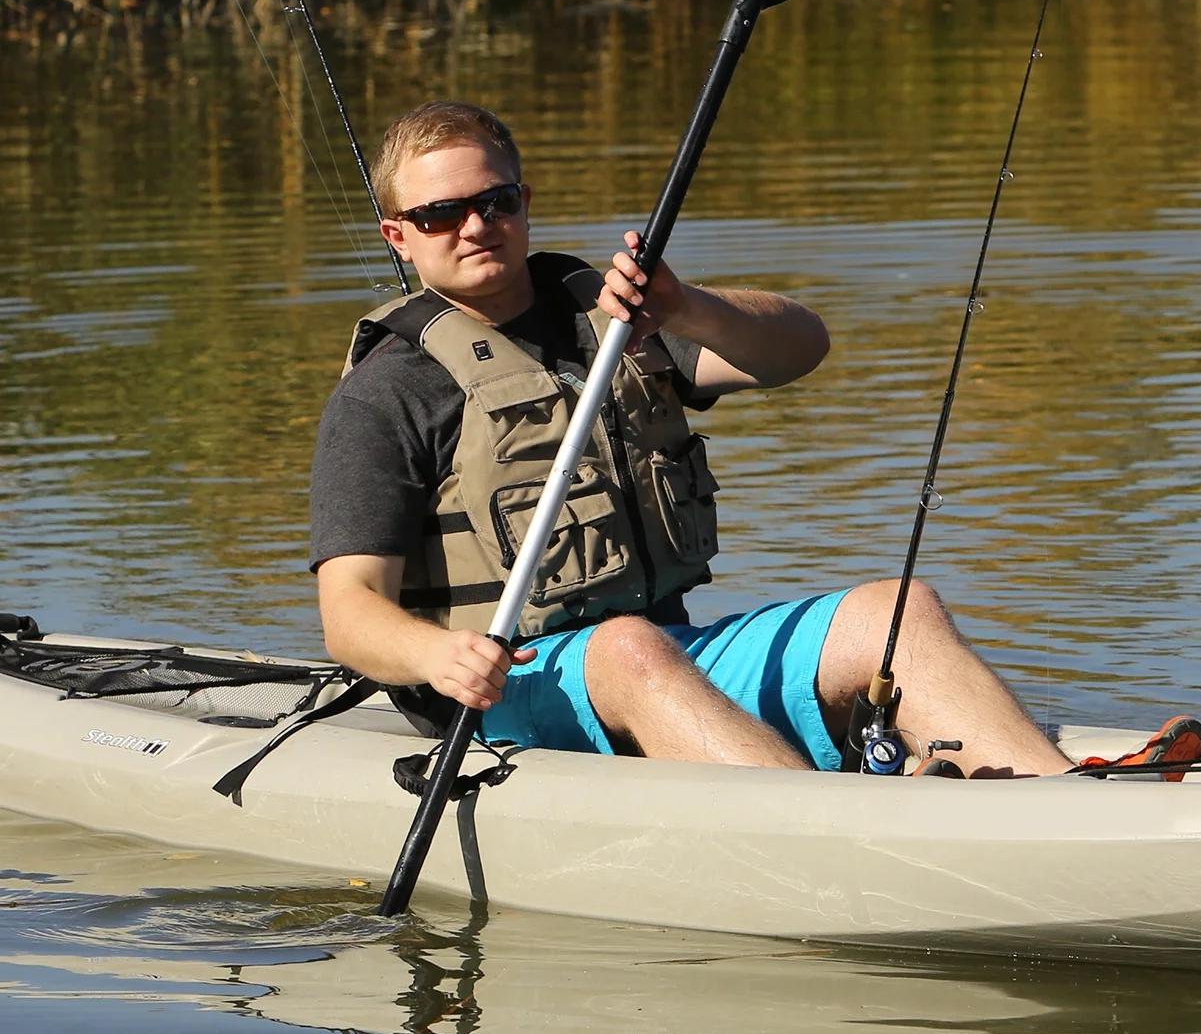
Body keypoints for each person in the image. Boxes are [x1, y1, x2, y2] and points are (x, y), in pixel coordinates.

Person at [310, 99, 1072, 776]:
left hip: (670, 656)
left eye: (496, 201)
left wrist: (685, 309)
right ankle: (826, 833)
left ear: (525, 201)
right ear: (398, 236)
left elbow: (800, 347)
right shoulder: (386, 392)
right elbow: (349, 612)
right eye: (441, 215)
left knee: (898, 611)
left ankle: (1053, 800)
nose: (477, 226)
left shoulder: (616, 320)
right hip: (507, 689)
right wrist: (437, 654)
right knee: (628, 647)